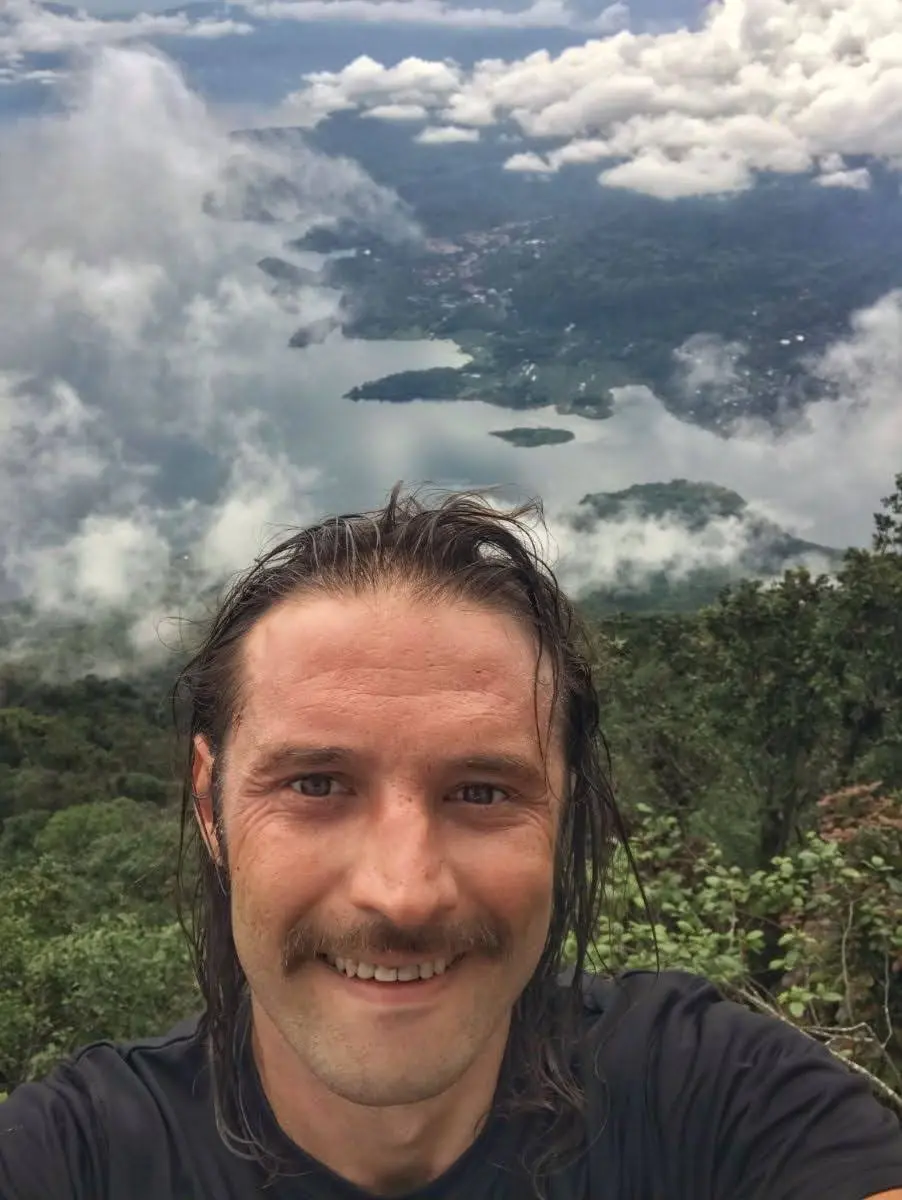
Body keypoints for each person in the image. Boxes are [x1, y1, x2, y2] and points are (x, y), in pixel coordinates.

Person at [1, 483, 901, 1200]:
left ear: (564, 813)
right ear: (211, 807)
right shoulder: (74, 1159)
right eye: (316, 785)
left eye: (482, 791)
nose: (405, 892)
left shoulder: (716, 1102)